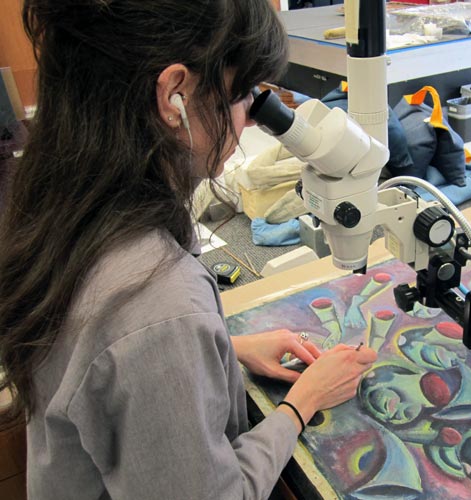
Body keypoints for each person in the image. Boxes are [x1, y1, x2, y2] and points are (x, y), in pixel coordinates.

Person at [0, 1, 377, 498]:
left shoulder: (65, 208)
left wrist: (224, 350)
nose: (247, 122)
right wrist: (302, 403)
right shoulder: (156, 302)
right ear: (174, 94)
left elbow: (97, 368)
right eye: (243, 95)